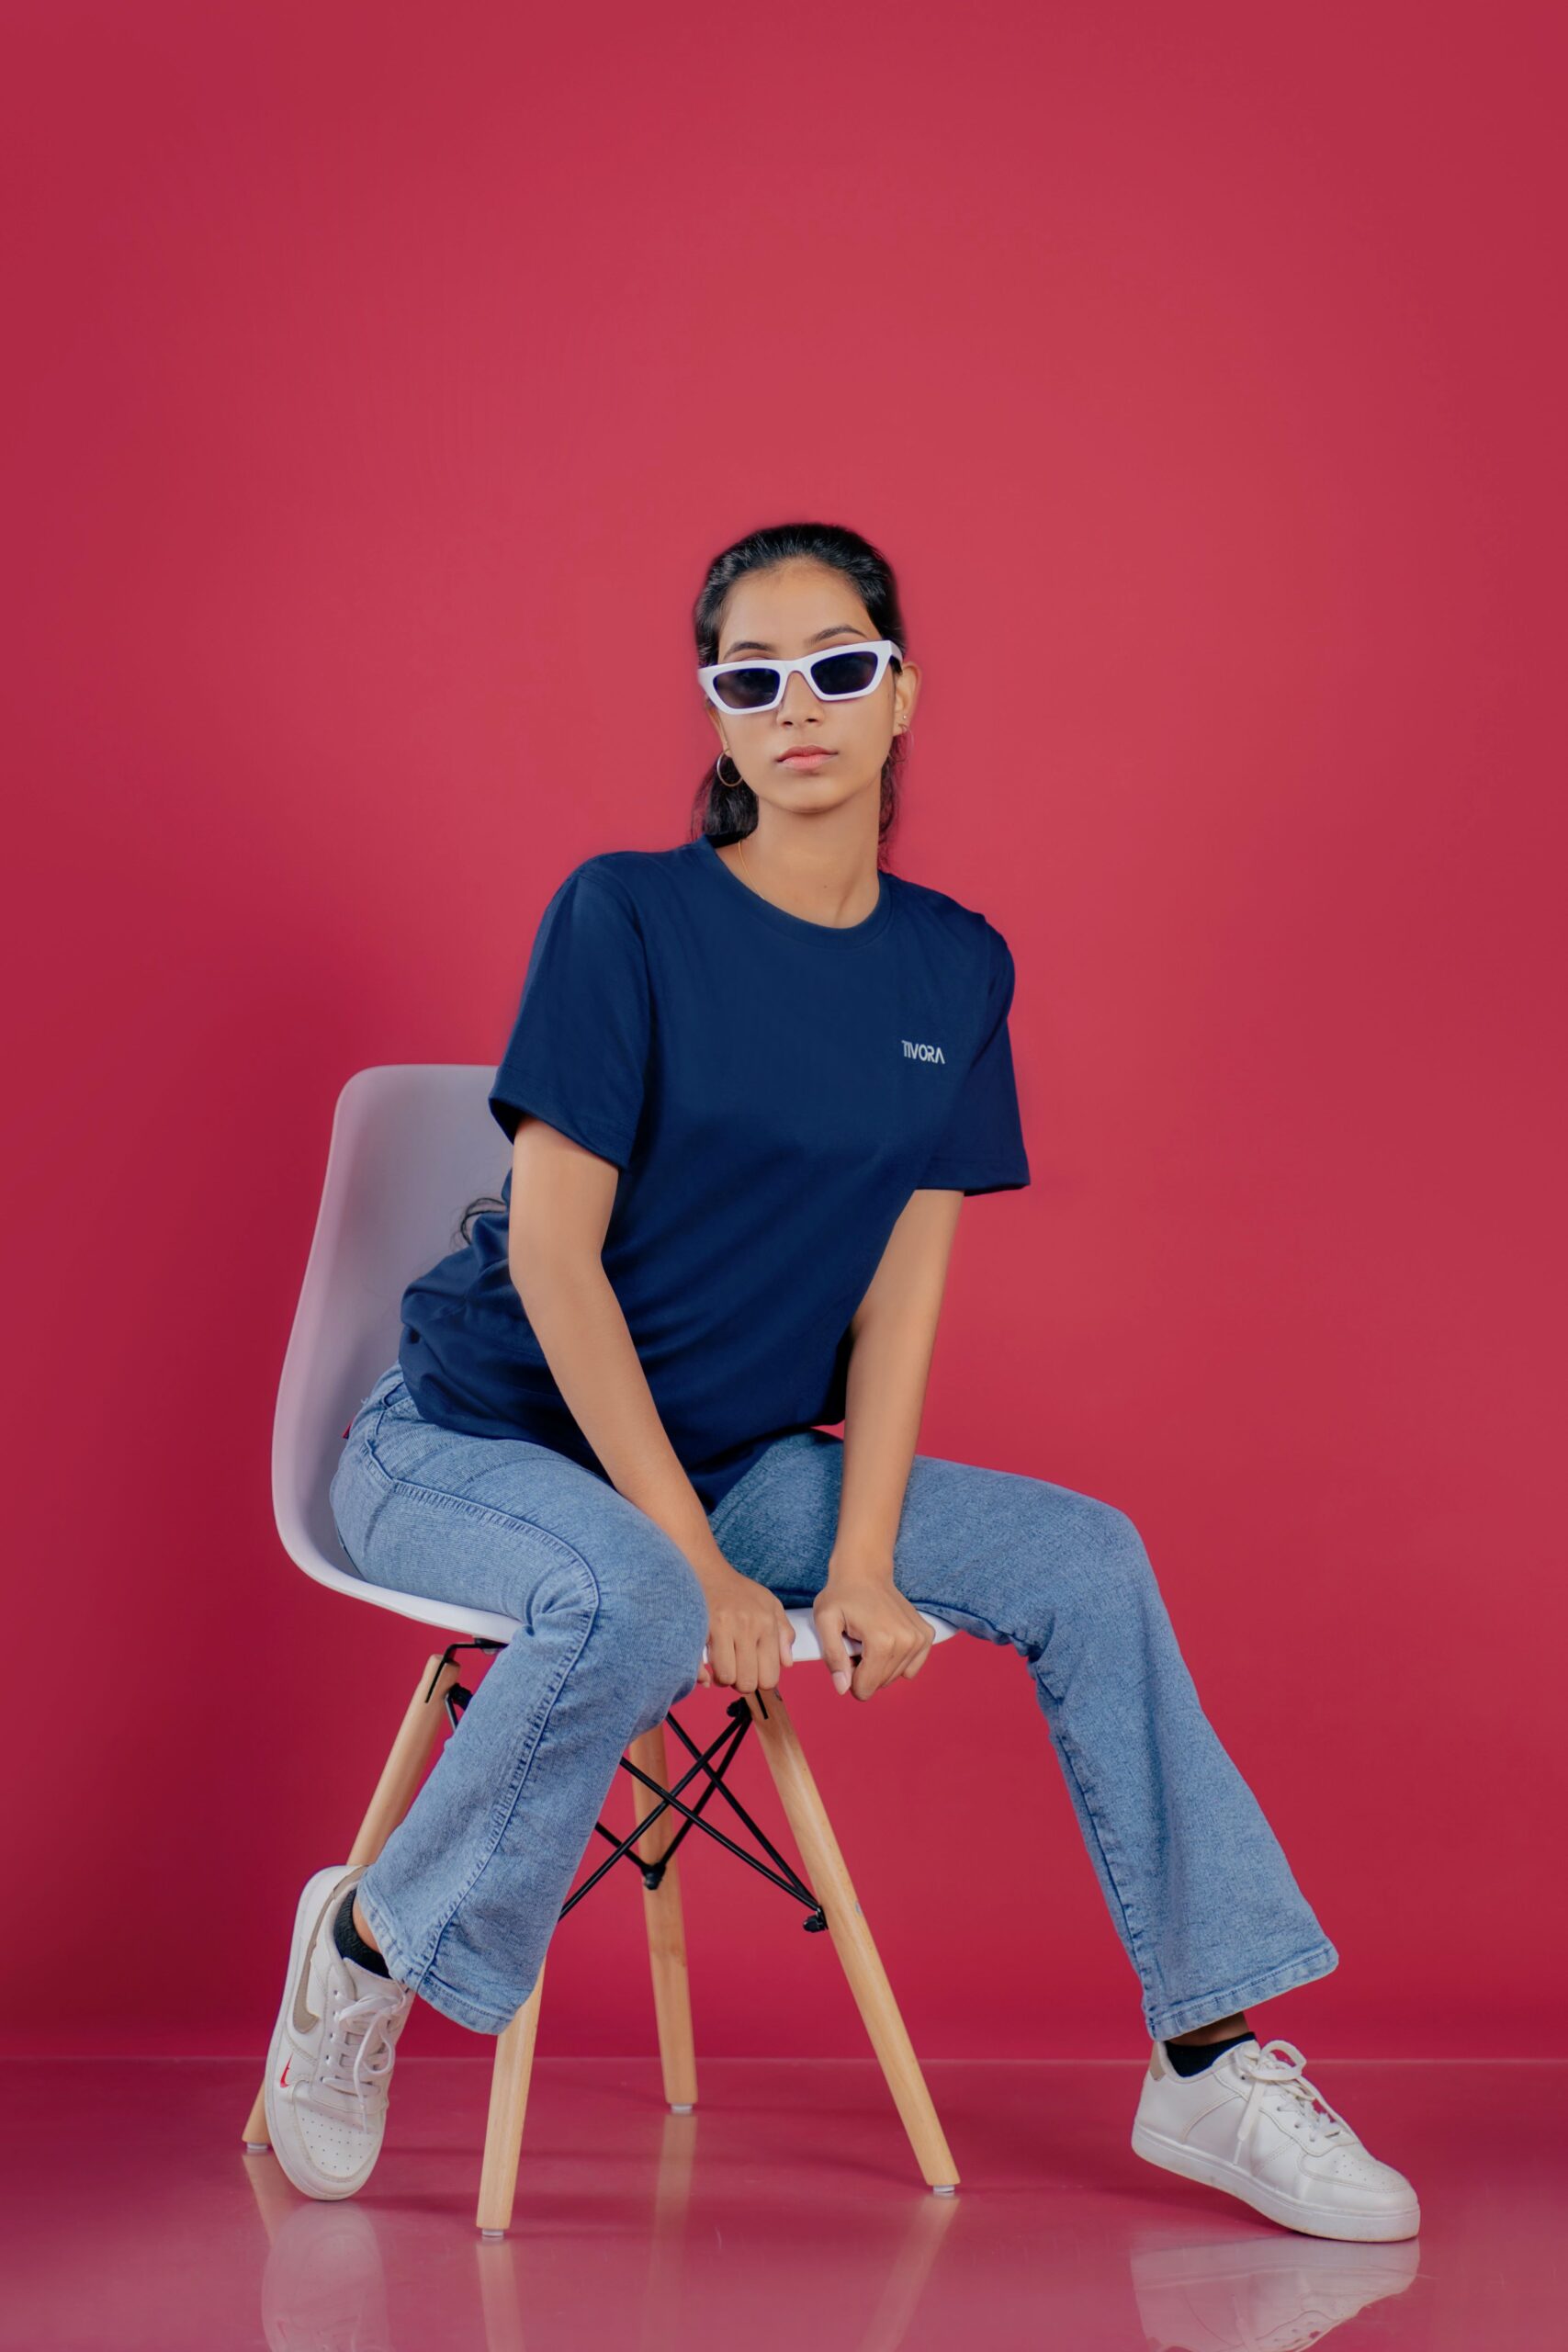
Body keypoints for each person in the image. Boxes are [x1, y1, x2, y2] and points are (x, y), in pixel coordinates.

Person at [265, 521, 1420, 2242]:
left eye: (838, 666)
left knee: (1085, 1557)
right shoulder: (626, 915)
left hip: (735, 1458)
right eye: (752, 678)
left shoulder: (955, 965)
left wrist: (861, 1559)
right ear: (717, 716)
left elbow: (901, 1291)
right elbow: (555, 1263)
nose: (797, 704)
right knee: (639, 1602)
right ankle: (367, 1947)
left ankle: (1208, 2057)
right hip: (470, 1437)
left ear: (902, 696)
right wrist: (702, 1564)